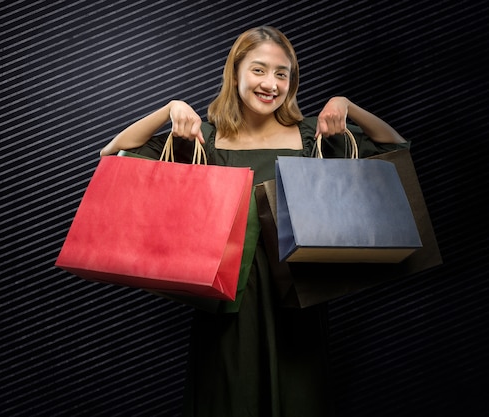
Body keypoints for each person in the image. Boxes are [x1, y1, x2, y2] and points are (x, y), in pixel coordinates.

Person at [100, 26, 408, 417]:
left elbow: (394, 147)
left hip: (299, 299)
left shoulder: (313, 135)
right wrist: (169, 108)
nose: (271, 83)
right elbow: (114, 152)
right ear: (236, 74)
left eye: (282, 73)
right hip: (228, 304)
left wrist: (349, 105)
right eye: (259, 70)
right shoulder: (205, 140)